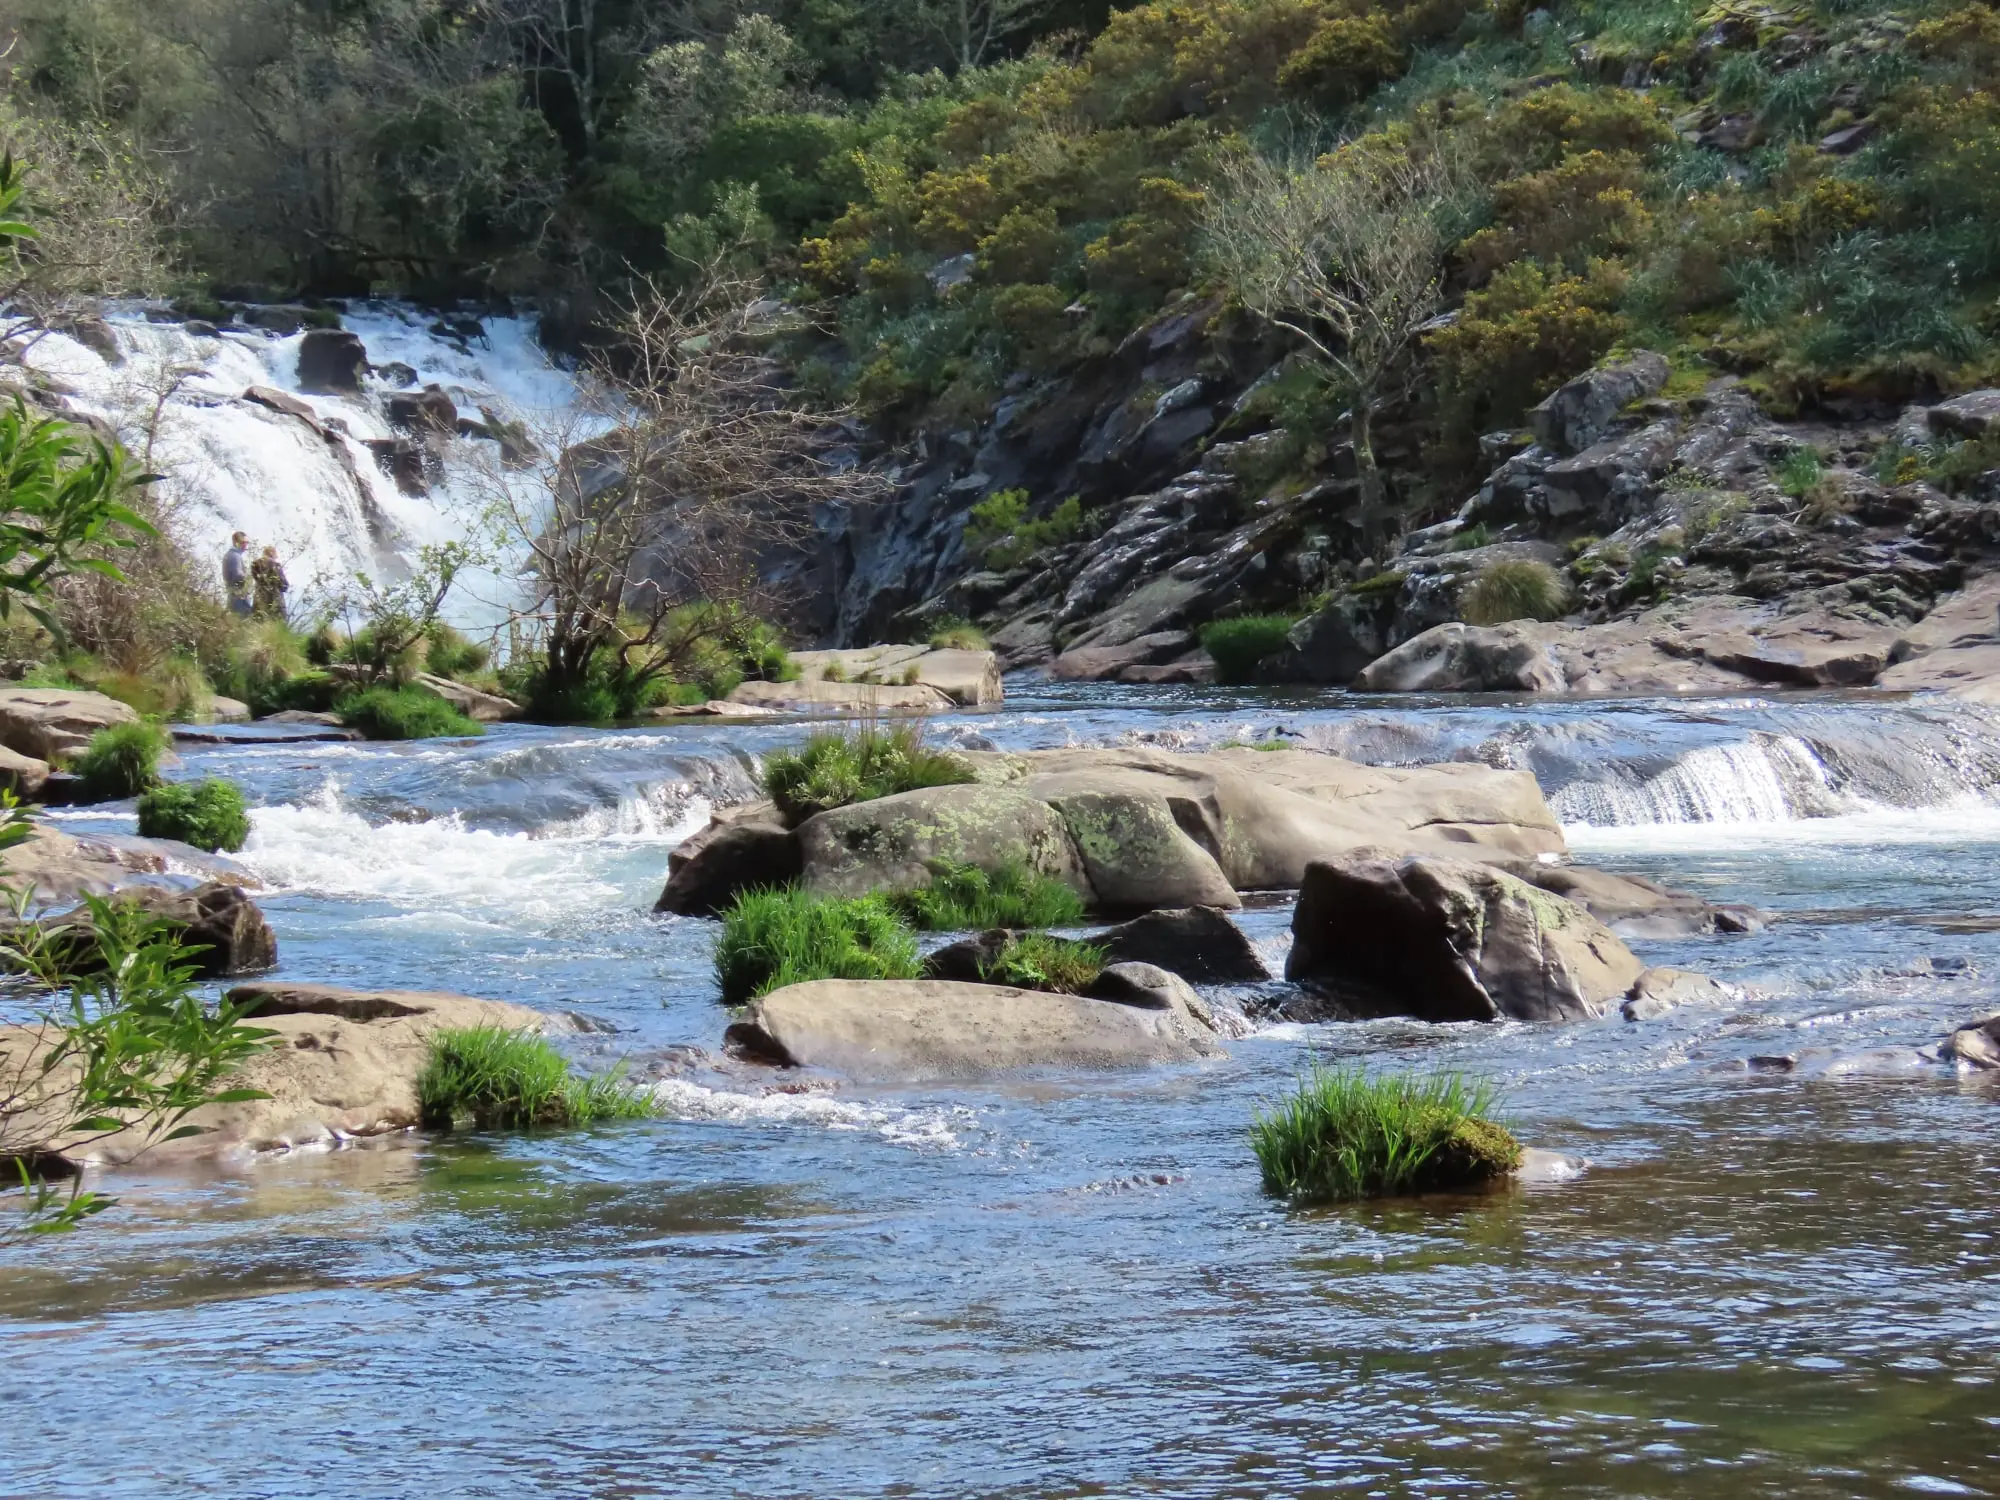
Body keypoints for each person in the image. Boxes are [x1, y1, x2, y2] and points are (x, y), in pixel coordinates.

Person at [251, 545, 289, 620]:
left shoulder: (255, 565)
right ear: (272, 553)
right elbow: (284, 586)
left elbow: (256, 579)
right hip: (275, 603)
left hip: (259, 603)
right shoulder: (275, 565)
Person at [222, 532, 252, 616]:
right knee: (243, 621)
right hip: (238, 596)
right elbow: (237, 575)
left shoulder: (229, 555)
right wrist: (248, 577)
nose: (246, 546)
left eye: (247, 543)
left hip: (233, 594)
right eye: (243, 542)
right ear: (236, 543)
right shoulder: (235, 556)